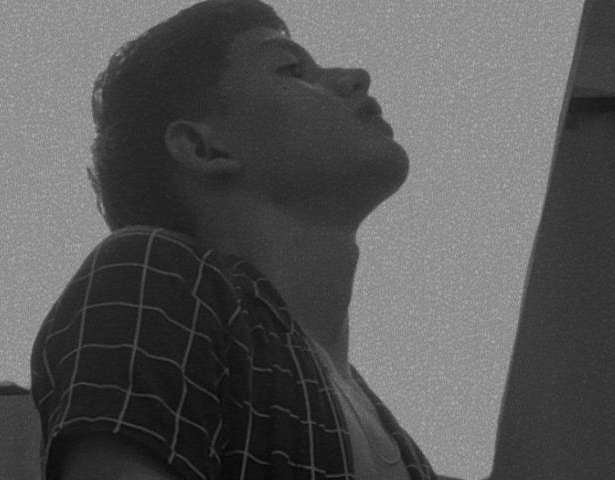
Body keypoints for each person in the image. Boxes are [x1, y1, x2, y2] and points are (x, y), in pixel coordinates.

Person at [30, 1, 461, 478]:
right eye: (290, 69)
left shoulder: (403, 446)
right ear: (204, 147)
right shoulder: (148, 274)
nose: (356, 77)